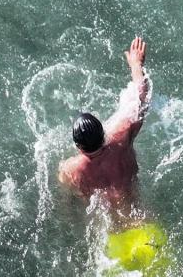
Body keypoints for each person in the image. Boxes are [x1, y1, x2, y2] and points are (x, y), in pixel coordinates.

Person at [58, 36, 151, 208]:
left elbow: (66, 201)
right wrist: (136, 64)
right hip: (144, 223)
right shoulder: (122, 137)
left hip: (113, 233)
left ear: (79, 146)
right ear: (103, 133)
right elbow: (141, 97)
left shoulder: (72, 169)